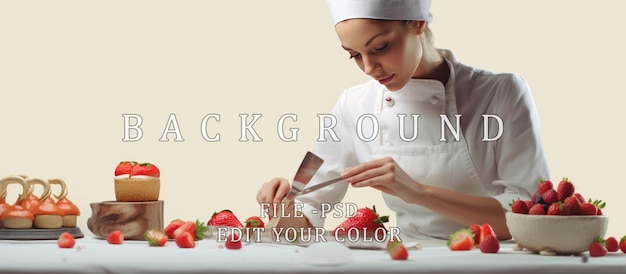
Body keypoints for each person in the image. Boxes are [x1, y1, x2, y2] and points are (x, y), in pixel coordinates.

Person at [256, 0, 549, 241]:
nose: (369, 68)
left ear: (417, 23)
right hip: (408, 260)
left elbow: (531, 216)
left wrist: (419, 193)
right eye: (354, 55)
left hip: (496, 261)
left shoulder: (502, 92)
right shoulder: (351, 105)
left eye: (380, 47)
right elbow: (307, 211)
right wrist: (284, 203)